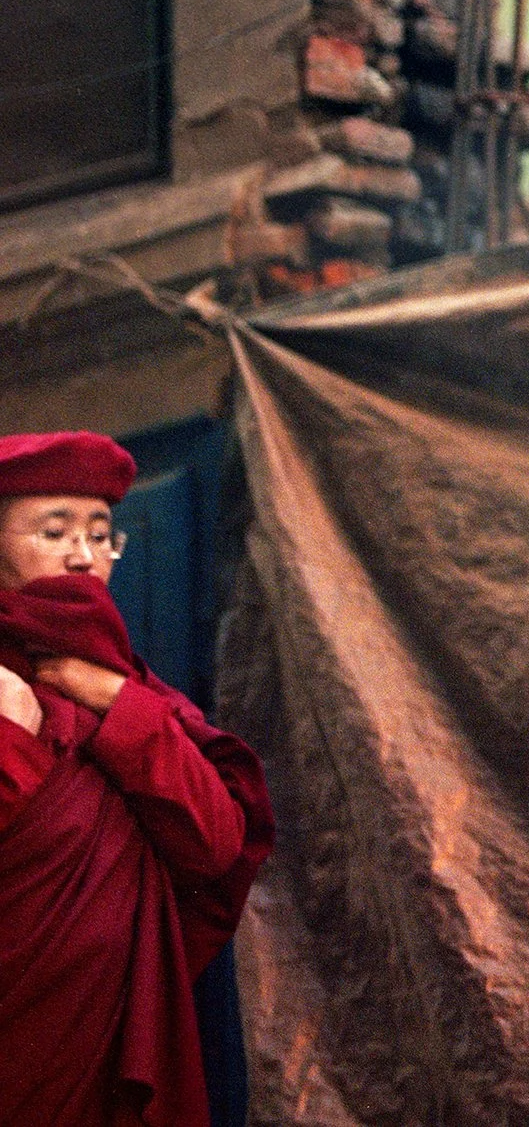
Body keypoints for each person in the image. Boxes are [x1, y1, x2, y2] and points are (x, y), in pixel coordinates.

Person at [0, 431, 273, 1127]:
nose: (84, 555)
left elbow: (214, 843)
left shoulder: (134, 690)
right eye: (53, 531)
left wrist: (115, 706)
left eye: (100, 534)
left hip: (109, 1029)